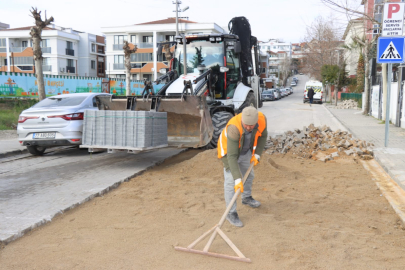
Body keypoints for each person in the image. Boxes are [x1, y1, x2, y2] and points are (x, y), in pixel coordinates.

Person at [217, 106, 268, 227]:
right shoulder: (234, 127)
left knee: (249, 175)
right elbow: (232, 156)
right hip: (229, 152)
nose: (249, 127)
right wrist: (237, 179)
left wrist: (257, 154)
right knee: (231, 182)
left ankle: (246, 198)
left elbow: (263, 137)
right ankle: (231, 212)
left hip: (245, 151)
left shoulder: (262, 120)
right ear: (242, 120)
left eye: (251, 125)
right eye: (246, 125)